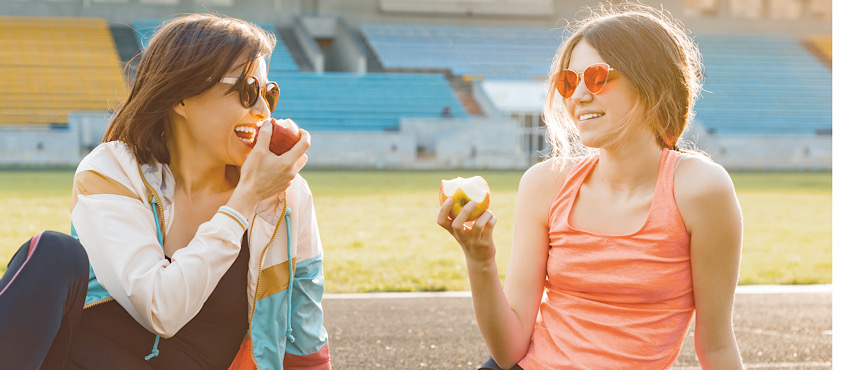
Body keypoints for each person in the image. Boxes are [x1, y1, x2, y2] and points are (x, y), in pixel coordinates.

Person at [0, 14, 331, 369]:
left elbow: (305, 340)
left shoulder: (286, 197)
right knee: (54, 252)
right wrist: (243, 202)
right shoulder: (112, 170)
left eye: (269, 93)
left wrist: (254, 194)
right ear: (181, 96)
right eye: (248, 91)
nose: (263, 111)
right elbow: (161, 311)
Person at [437, 3, 744, 369]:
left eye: (597, 77)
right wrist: (480, 258)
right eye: (568, 81)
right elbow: (508, 351)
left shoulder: (700, 189)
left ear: (652, 82)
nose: (578, 96)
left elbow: (717, 347)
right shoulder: (544, 184)